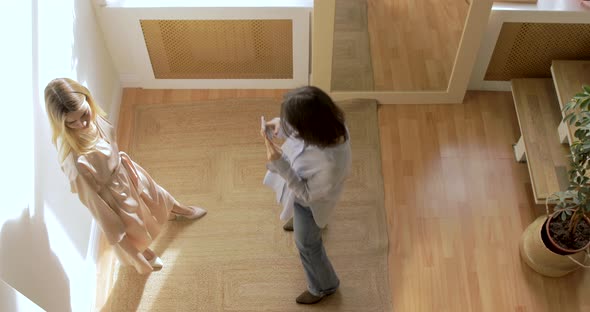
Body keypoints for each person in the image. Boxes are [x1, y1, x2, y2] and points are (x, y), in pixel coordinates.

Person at [44, 78, 206, 274]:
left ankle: (178, 210)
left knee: (155, 194)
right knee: (134, 229)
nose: (82, 123)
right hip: (112, 197)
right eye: (72, 123)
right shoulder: (74, 163)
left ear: (88, 100)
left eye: (84, 115)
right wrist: (135, 257)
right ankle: (142, 253)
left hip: (124, 171)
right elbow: (101, 214)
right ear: (61, 123)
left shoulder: (94, 117)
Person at [261, 86, 351, 304]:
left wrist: (280, 164)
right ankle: (302, 221)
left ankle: (324, 286)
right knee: (301, 221)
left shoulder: (329, 165)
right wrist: (279, 126)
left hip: (310, 203)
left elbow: (308, 195)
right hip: (302, 196)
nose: (289, 126)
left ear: (309, 126)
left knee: (307, 245)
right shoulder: (328, 125)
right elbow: (298, 134)